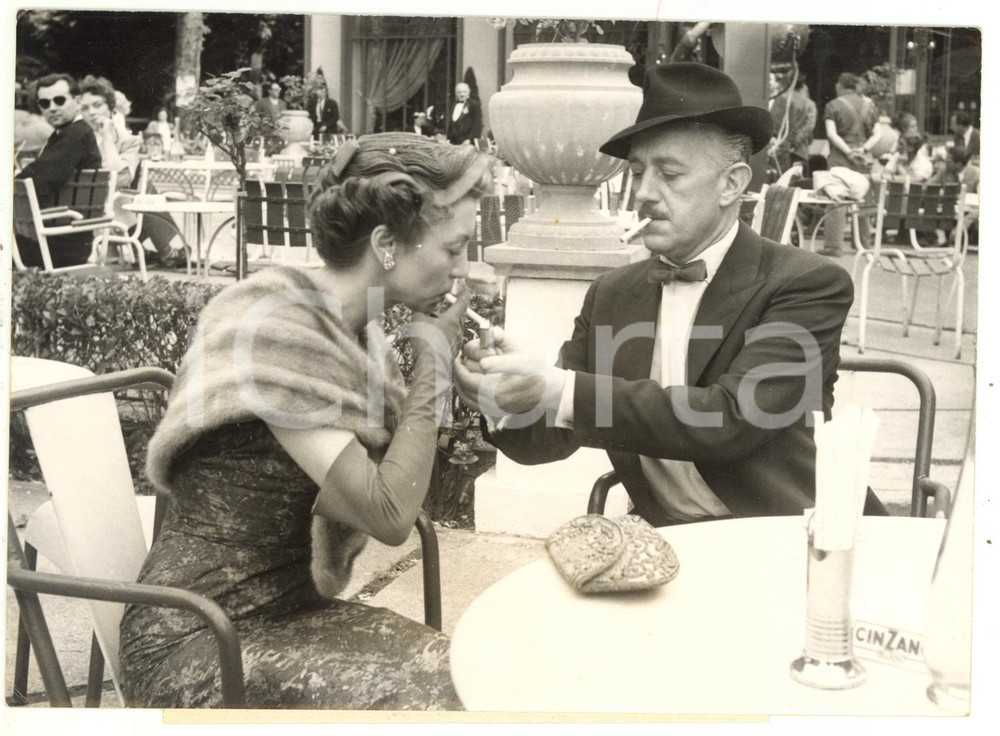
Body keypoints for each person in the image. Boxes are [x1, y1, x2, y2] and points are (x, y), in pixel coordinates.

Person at [119, 132, 494, 709]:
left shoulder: (357, 336)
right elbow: (391, 515)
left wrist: (473, 387)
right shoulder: (278, 333)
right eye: (453, 248)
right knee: (437, 700)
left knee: (472, 674)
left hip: (288, 610)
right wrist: (432, 376)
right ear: (387, 243)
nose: (464, 268)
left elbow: (395, 483)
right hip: (198, 635)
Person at [454, 62, 887, 525]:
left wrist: (554, 386)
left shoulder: (806, 283)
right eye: (638, 172)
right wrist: (503, 397)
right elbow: (545, 444)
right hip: (673, 547)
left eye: (670, 174)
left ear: (732, 184)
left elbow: (731, 420)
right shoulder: (612, 293)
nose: (643, 193)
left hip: (797, 538)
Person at [79, 76, 188, 268]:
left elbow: (118, 178)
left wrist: (106, 137)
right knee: (144, 189)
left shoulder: (128, 141)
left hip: (103, 205)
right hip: (87, 209)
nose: (92, 112)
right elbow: (117, 179)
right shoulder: (75, 137)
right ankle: (167, 249)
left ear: (110, 108)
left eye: (97, 105)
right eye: (85, 108)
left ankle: (154, 250)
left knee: (142, 187)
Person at [15, 73, 102, 269]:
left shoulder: (75, 135)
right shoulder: (68, 134)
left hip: (57, 243)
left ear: (77, 100)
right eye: (44, 104)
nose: (52, 107)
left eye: (59, 100)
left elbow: (40, 179)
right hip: (57, 237)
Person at [818, 72, 880, 256]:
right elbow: (877, 134)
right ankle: (863, 242)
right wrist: (862, 150)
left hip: (840, 156)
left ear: (841, 86)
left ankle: (833, 246)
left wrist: (847, 152)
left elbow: (831, 134)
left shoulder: (833, 105)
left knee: (836, 197)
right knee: (862, 196)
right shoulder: (869, 105)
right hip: (862, 157)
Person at [770, 77, 817, 174]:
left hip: (780, 148)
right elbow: (809, 127)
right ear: (803, 86)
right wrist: (795, 143)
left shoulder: (781, 100)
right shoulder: (809, 103)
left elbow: (774, 124)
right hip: (800, 151)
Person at [881, 112, 934, 182]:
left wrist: (899, 166)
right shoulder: (898, 157)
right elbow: (883, 175)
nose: (916, 129)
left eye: (902, 146)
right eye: (913, 126)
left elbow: (913, 183)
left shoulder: (924, 162)